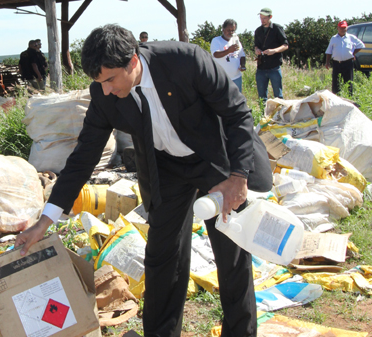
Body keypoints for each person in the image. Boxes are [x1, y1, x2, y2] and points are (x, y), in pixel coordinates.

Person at [15, 24, 272, 337]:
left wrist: (238, 177)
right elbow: (83, 158)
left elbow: (237, 114)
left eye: (110, 79)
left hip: (214, 161)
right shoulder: (103, 93)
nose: (106, 89)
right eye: (99, 82)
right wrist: (45, 220)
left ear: (133, 62)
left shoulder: (185, 61)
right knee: (163, 257)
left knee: (231, 254)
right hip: (166, 168)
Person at [254, 7, 289, 103]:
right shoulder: (258, 31)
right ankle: (263, 116)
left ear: (270, 17)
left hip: (274, 67)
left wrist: (274, 50)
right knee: (262, 98)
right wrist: (257, 50)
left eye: (264, 18)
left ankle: (279, 115)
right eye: (261, 18)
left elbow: (285, 45)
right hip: (261, 67)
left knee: (278, 96)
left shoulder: (277, 29)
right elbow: (256, 45)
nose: (262, 20)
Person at [325, 20, 365, 95]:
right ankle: (336, 97)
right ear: (338, 28)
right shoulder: (333, 38)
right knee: (336, 82)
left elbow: (361, 45)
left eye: (344, 28)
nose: (343, 29)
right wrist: (327, 62)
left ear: (346, 28)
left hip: (348, 62)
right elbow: (329, 51)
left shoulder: (351, 37)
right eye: (341, 28)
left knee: (349, 81)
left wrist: (353, 53)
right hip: (337, 63)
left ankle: (349, 97)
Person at [211, 19, 246, 92]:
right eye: (228, 30)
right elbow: (215, 54)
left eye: (233, 30)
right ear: (223, 29)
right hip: (222, 78)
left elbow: (241, 54)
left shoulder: (236, 40)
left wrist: (243, 65)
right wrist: (228, 50)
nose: (231, 32)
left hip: (236, 77)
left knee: (237, 100)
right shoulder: (216, 41)